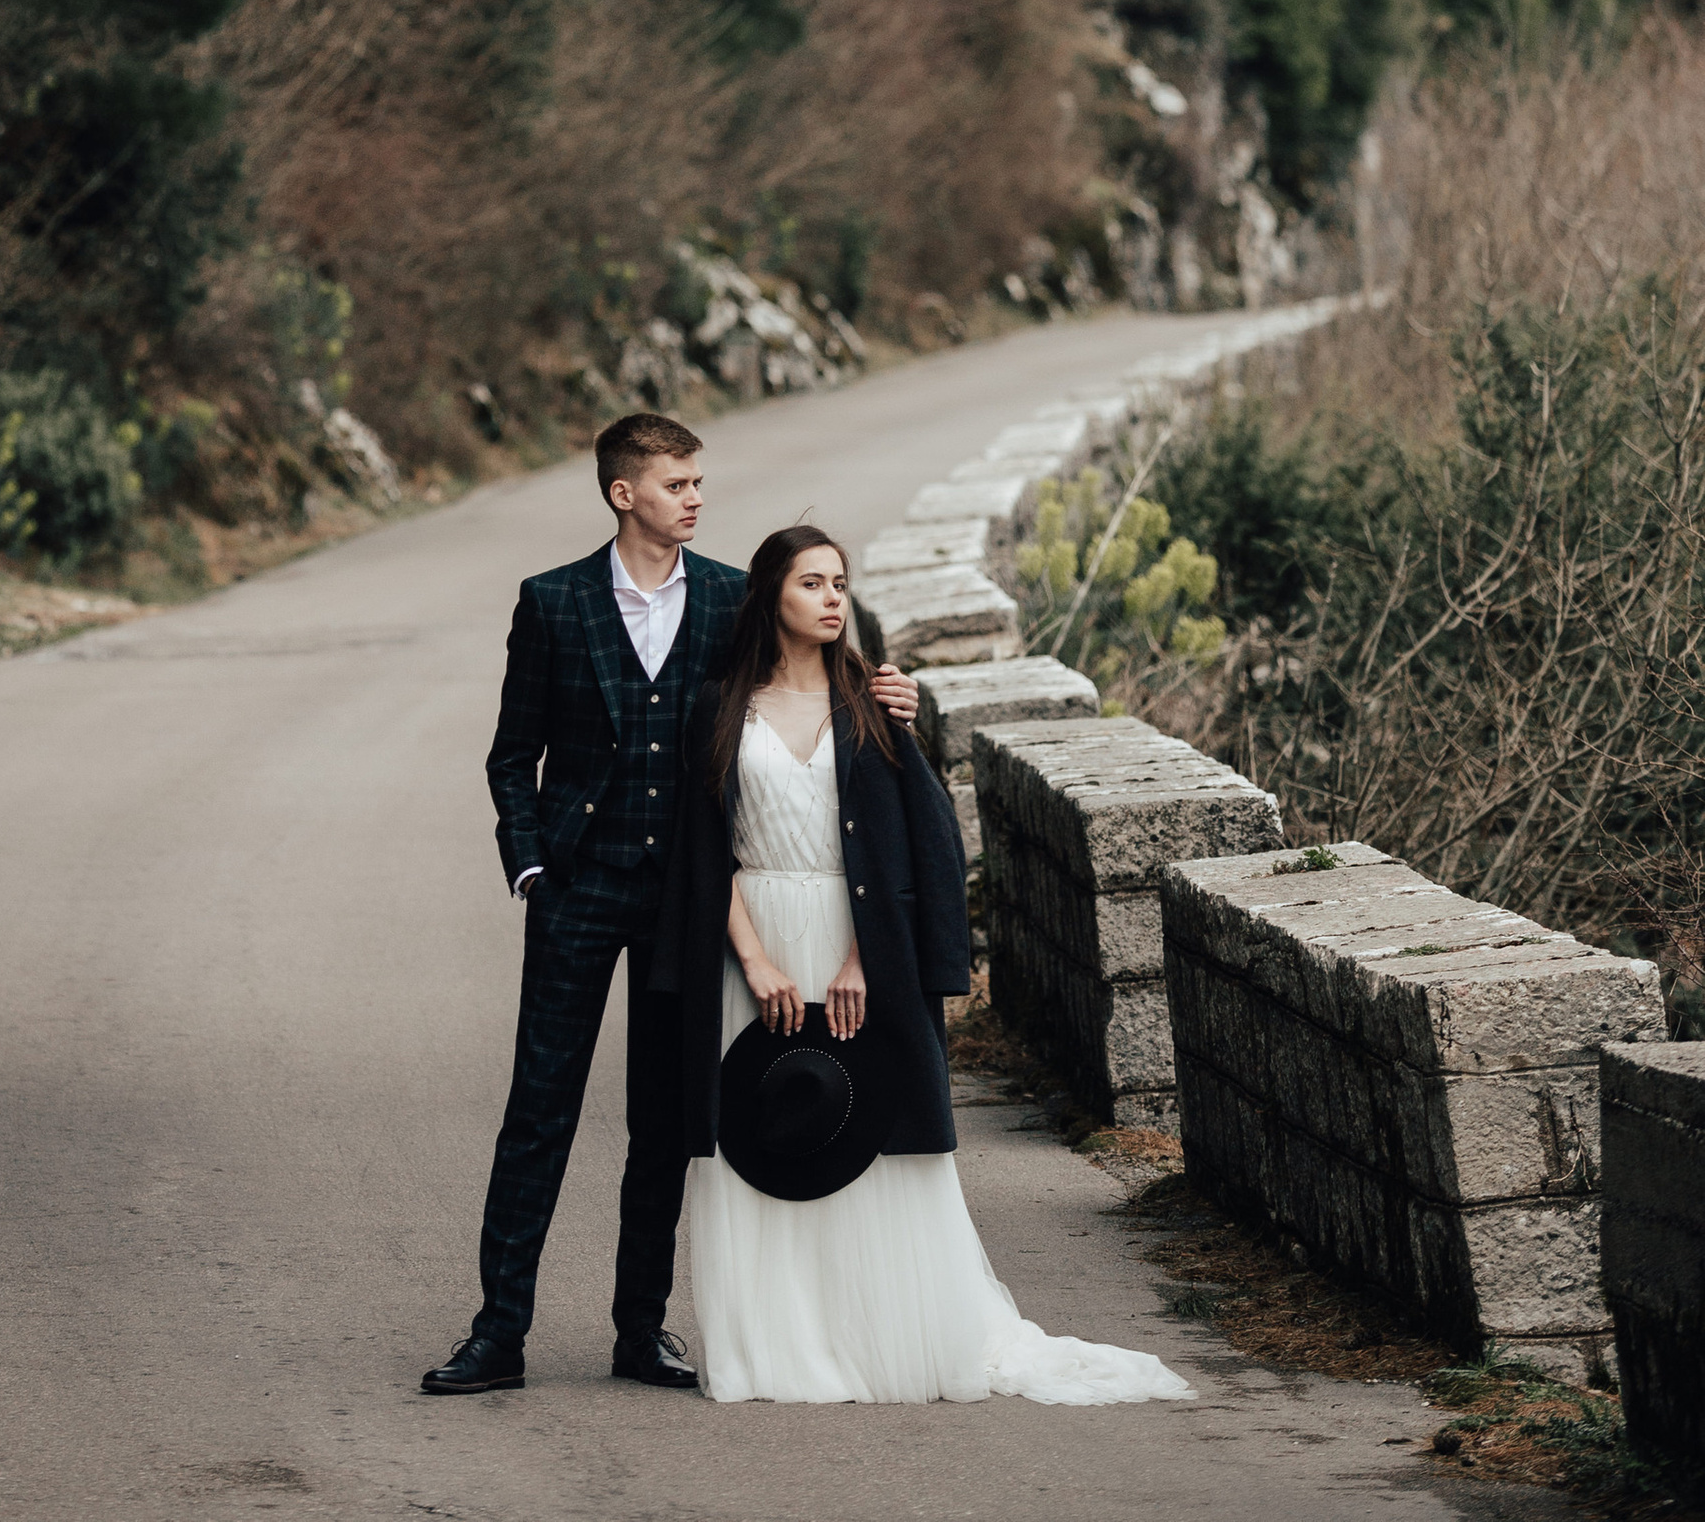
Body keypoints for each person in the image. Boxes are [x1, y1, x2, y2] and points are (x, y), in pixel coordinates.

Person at [422, 418, 920, 1398]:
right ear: (623, 494)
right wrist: (528, 867)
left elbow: (798, 684)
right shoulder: (553, 602)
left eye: (698, 482)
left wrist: (884, 694)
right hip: (576, 885)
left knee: (663, 1114)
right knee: (538, 1109)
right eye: (676, 483)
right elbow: (508, 755)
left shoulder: (734, 595)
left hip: (688, 896)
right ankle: (498, 1333)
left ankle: (638, 1330)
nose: (694, 497)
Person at [657, 520, 1194, 1408]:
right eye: (812, 584)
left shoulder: (874, 703)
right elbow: (704, 850)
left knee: (875, 1138)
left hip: (856, 943)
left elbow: (913, 842)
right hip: (754, 945)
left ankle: (881, 1340)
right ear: (770, 598)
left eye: (840, 583)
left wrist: (864, 959)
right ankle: (781, 1349)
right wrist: (751, 962)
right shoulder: (718, 708)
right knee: (760, 1139)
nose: (833, 599)